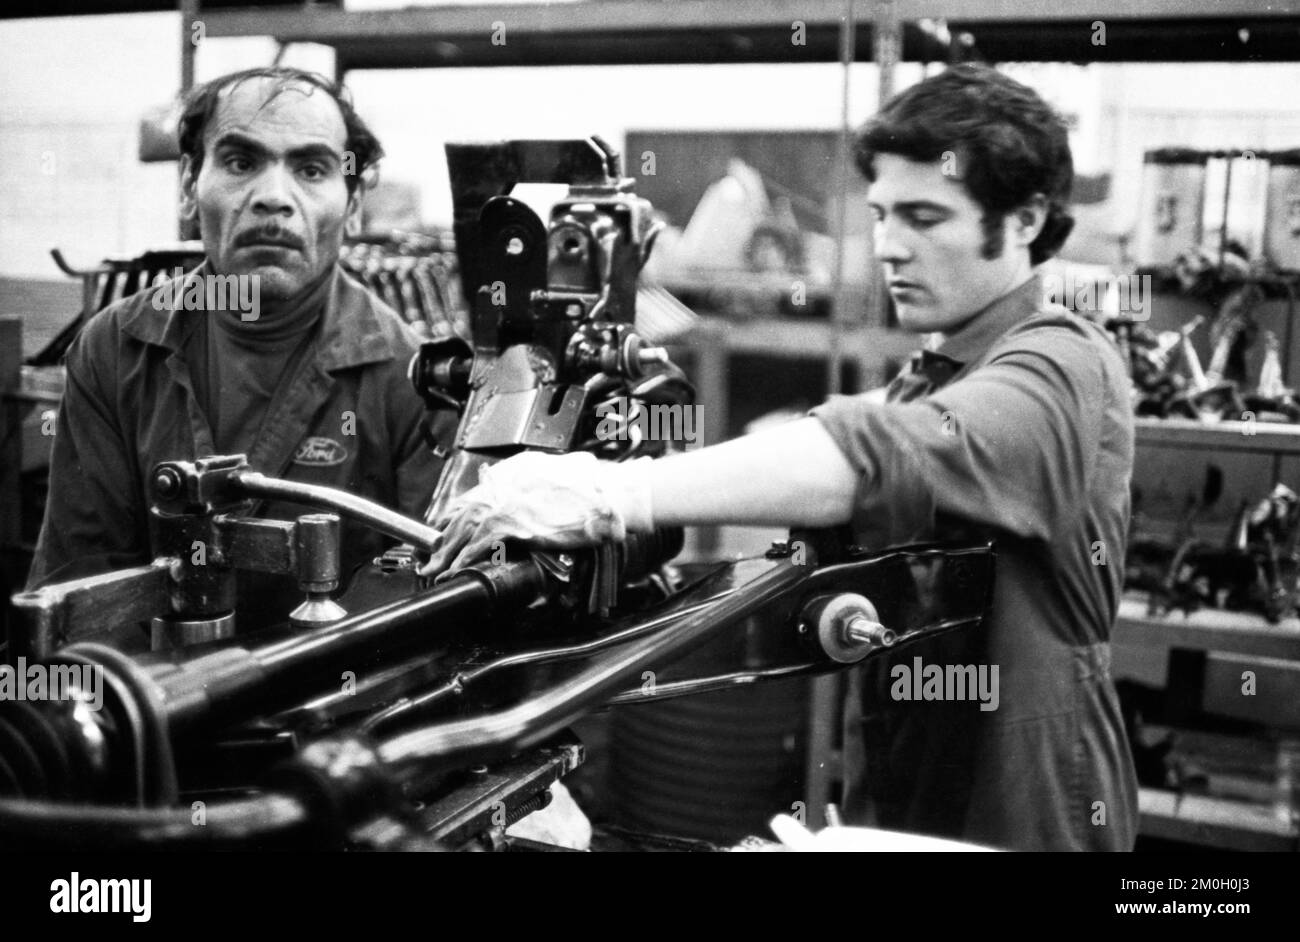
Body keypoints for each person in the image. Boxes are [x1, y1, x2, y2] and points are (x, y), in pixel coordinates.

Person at [422, 64, 1139, 851]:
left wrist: (613, 494)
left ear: (1028, 218)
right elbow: (842, 453)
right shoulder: (936, 374)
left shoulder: (1062, 364)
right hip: (913, 775)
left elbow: (878, 459)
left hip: (1026, 803)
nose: (889, 247)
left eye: (926, 218)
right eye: (882, 215)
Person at [28, 67, 455, 633]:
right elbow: (77, 590)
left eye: (310, 169)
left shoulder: (414, 378)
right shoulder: (114, 351)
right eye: (240, 162)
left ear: (353, 207)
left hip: (338, 709)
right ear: (188, 184)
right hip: (152, 703)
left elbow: (429, 611)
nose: (273, 198)